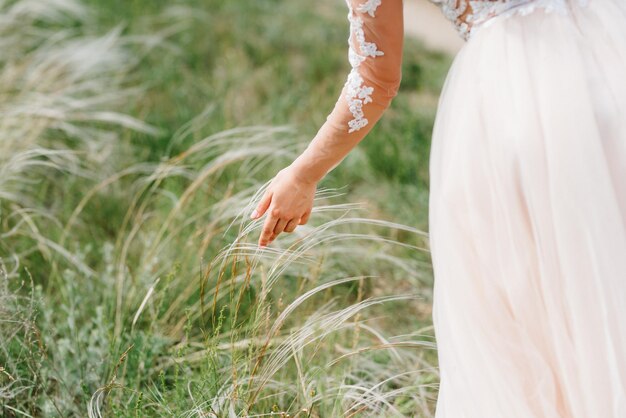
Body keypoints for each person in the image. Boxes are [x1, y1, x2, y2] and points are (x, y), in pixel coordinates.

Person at [250, 0, 626, 416]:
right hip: (609, 59)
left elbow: (374, 78)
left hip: (514, 110)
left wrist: (303, 174)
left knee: (537, 313)